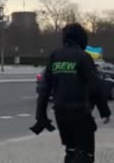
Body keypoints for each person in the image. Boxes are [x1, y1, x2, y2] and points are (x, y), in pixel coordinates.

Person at [32, 23, 111, 163]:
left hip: (61, 113)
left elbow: (44, 88)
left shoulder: (55, 56)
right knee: (85, 154)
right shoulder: (83, 57)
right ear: (82, 38)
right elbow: (95, 87)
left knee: (70, 151)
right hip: (80, 112)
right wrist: (104, 111)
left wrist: (41, 115)